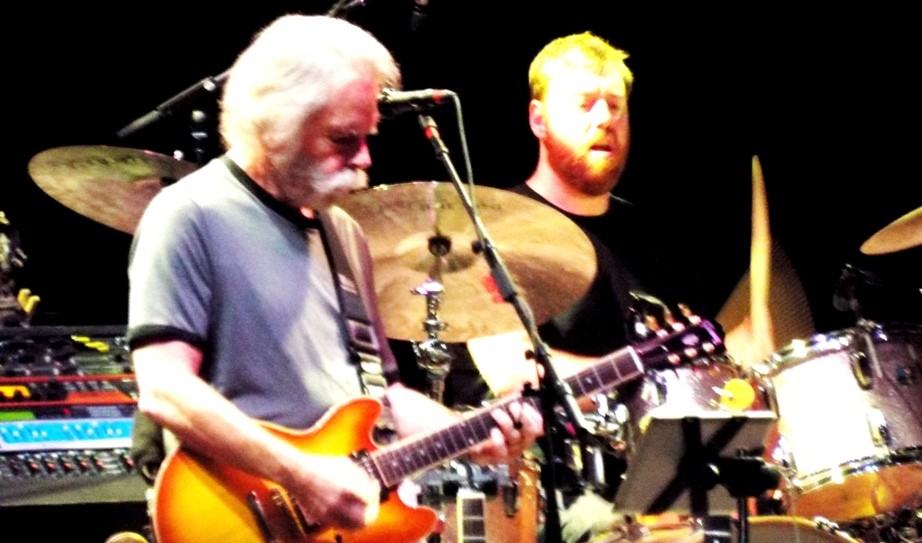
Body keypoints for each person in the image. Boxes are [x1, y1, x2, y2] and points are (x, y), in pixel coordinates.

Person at [127, 13, 541, 537]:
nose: (365, 158)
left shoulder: (343, 234)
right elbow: (164, 389)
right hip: (237, 517)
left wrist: (468, 432)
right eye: (343, 139)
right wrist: (300, 475)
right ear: (275, 124)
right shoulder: (190, 214)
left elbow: (381, 394)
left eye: (367, 137)